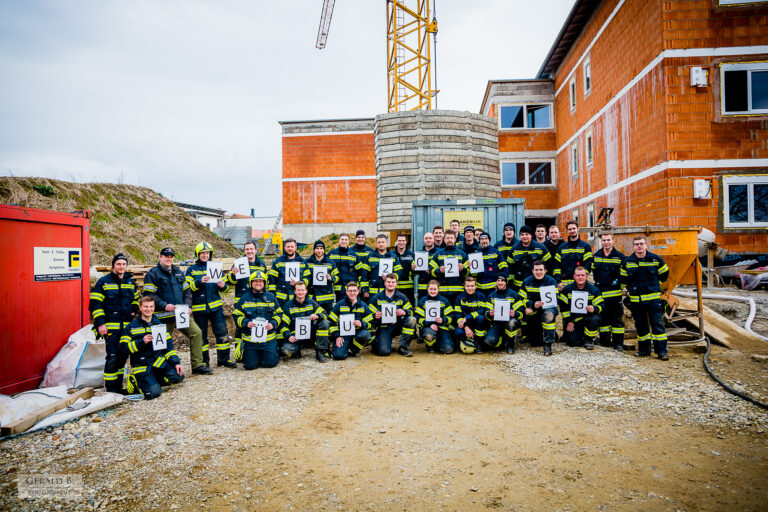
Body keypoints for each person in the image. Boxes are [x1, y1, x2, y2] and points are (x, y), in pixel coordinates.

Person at [143, 247, 210, 375]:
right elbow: (148, 295)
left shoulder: (178, 272)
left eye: (171, 257)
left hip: (180, 314)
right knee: (161, 343)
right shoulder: (152, 274)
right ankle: (162, 370)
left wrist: (188, 306)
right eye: (166, 256)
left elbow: (187, 291)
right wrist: (163, 305)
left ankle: (197, 365)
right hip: (163, 316)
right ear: (160, 257)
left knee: (196, 333)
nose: (169, 259)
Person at [89, 253, 138, 393]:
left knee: (122, 357)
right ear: (113, 266)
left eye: (124, 264)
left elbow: (135, 299)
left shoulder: (129, 281)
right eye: (118, 264)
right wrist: (100, 324)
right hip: (110, 328)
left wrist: (134, 310)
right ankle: (110, 390)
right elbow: (95, 304)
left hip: (126, 328)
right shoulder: (103, 282)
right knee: (112, 358)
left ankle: (118, 387)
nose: (121, 266)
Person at [121, 296, 184, 399]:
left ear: (154, 308)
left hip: (157, 363)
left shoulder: (159, 324)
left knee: (178, 376)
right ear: (140, 308)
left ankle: (152, 382)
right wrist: (141, 342)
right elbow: (123, 348)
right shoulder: (131, 327)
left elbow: (169, 349)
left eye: (151, 306)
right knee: (153, 394)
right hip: (142, 365)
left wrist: (176, 363)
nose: (148, 309)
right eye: (145, 306)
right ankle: (137, 383)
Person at [185, 242, 235, 368]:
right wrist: (199, 282)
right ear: (198, 254)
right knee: (201, 337)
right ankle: (203, 362)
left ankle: (223, 360)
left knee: (222, 333)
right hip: (199, 309)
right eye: (202, 253)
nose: (205, 255)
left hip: (216, 308)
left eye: (207, 253)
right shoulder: (192, 269)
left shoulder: (215, 267)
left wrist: (223, 286)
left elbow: (226, 290)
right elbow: (189, 288)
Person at [620, 236, 670, 360]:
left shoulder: (655, 259)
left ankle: (661, 352)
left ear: (646, 245)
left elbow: (664, 274)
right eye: (636, 244)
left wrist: (653, 285)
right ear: (633, 246)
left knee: (657, 325)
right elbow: (624, 278)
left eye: (641, 244)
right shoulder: (628, 262)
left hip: (653, 301)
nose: (639, 246)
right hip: (637, 301)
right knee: (641, 326)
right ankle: (644, 350)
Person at [232, 270, 282, 370]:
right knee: (250, 366)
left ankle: (270, 353)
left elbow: (279, 313)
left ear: (264, 283)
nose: (258, 283)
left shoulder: (271, 297)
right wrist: (246, 323)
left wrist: (273, 323)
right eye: (255, 281)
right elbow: (236, 314)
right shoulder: (244, 298)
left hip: (268, 340)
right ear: (251, 283)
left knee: (270, 364)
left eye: (261, 281)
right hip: (250, 341)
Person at [226, 241, 267, 361]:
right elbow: (230, 282)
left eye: (251, 249)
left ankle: (254, 350)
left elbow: (264, 283)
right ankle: (239, 353)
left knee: (255, 323)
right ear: (244, 251)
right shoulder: (238, 264)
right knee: (240, 327)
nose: (249, 251)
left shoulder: (261, 264)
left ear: (255, 250)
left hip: (257, 301)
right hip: (241, 300)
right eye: (247, 249)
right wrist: (233, 274)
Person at [279, 281, 331, 362]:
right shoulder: (288, 306)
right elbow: (283, 325)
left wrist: (317, 315)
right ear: (294, 291)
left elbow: (325, 314)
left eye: (303, 290)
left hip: (311, 333)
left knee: (324, 322)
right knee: (286, 350)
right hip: (296, 336)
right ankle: (297, 348)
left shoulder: (312, 303)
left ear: (306, 291)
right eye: (298, 290)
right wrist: (288, 336)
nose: (301, 292)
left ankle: (320, 350)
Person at [593, 232, 626, 350]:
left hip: (615, 295)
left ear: (613, 241)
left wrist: (620, 287)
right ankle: (605, 342)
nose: (606, 242)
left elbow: (624, 275)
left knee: (617, 320)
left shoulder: (620, 257)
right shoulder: (596, 256)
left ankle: (618, 344)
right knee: (604, 319)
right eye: (604, 240)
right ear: (601, 242)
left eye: (608, 240)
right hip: (601, 294)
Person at [369, 274, 417, 356]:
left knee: (412, 320)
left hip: (398, 325)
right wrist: (374, 315)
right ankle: (376, 341)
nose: (391, 284)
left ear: (396, 284)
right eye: (388, 282)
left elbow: (412, 311)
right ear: (385, 283)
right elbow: (368, 315)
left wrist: (404, 312)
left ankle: (403, 347)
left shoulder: (402, 297)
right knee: (384, 352)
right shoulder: (377, 297)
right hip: (384, 327)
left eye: (393, 282)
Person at [519, 260, 559, 356]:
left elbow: (555, 301)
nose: (539, 272)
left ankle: (548, 345)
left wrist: (539, 306)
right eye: (536, 270)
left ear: (545, 270)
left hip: (548, 308)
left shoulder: (552, 281)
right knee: (535, 343)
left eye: (541, 270)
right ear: (532, 271)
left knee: (548, 314)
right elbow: (521, 299)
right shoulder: (526, 282)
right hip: (533, 311)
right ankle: (534, 334)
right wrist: (531, 305)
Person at [558, 267, 603, 349]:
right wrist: (569, 321)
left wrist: (594, 308)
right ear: (574, 276)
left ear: (586, 276)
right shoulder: (567, 290)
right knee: (573, 343)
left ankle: (589, 340)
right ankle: (580, 336)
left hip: (588, 319)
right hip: (574, 321)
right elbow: (563, 308)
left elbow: (601, 305)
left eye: (582, 275)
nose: (580, 277)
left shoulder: (594, 290)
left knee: (595, 319)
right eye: (578, 275)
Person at [328, 282, 374, 359]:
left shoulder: (363, 306)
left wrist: (362, 324)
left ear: (358, 291)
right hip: (344, 335)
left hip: (357, 334)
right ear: (346, 291)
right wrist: (337, 336)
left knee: (366, 335)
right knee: (338, 356)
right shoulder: (339, 305)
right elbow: (331, 323)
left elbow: (371, 323)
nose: (352, 293)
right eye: (350, 291)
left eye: (354, 291)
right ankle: (344, 349)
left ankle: (354, 349)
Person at [484, 275, 524, 353]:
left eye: (502, 281)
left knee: (512, 322)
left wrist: (515, 313)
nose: (500, 282)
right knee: (489, 340)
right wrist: (490, 313)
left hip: (510, 322)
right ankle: (503, 340)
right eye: (498, 281)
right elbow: (486, 314)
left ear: (506, 282)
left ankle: (510, 345)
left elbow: (521, 313)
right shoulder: (491, 296)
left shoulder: (514, 295)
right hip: (497, 324)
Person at [429, 229, 468, 305]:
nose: (449, 240)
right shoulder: (438, 254)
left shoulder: (462, 254)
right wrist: (439, 270)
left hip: (458, 292)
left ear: (455, 239)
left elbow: (468, 273)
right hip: (442, 292)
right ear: (444, 239)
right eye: (447, 238)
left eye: (451, 238)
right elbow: (431, 271)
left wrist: (463, 269)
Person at [415, 280, 455, 354]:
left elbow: (451, 316)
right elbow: (418, 318)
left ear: (438, 289)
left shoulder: (444, 301)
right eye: (431, 289)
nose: (433, 291)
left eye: (435, 289)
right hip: (428, 328)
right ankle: (430, 345)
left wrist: (443, 320)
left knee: (448, 350)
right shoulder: (422, 301)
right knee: (429, 335)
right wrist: (429, 324)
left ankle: (439, 343)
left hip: (442, 327)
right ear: (427, 289)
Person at [507, 226, 550, 290]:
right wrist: (510, 282)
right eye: (522, 235)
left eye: (527, 234)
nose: (524, 237)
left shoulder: (541, 248)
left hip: (537, 285)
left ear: (531, 235)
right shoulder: (514, 249)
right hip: (518, 285)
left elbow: (549, 265)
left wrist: (545, 279)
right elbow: (509, 268)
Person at [553, 221, 593, 289]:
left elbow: (588, 266)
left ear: (578, 228)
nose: (572, 231)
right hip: (564, 284)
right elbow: (556, 265)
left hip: (580, 285)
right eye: (570, 229)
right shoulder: (562, 247)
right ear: (567, 231)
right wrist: (558, 281)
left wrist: (581, 280)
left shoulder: (585, 247)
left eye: (574, 228)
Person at [453, 276, 488, 354]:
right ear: (464, 286)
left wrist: (467, 318)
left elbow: (482, 310)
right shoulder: (459, 298)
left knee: (480, 318)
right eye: (468, 286)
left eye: (472, 286)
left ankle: (479, 343)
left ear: (475, 286)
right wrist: (465, 326)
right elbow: (457, 315)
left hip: (477, 323)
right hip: (465, 324)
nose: (470, 288)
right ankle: (467, 341)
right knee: (457, 332)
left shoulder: (481, 296)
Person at [302, 240, 339, 313]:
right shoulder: (307, 262)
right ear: (314, 250)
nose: (319, 250)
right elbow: (303, 276)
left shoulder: (330, 262)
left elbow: (337, 277)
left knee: (327, 320)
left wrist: (331, 278)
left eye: (321, 248)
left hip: (327, 299)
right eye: (317, 248)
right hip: (312, 297)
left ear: (324, 250)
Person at [268, 238, 306, 306]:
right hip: (281, 299)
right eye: (288, 247)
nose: (290, 249)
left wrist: (299, 283)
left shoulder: (302, 262)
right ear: (284, 247)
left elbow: (307, 277)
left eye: (292, 247)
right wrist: (272, 296)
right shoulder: (278, 262)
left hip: (298, 298)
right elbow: (272, 280)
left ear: (296, 247)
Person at [363, 234, 403, 299]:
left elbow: (399, 272)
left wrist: (389, 278)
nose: (381, 244)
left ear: (387, 243)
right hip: (373, 292)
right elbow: (364, 275)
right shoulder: (370, 257)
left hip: (390, 292)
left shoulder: (393, 257)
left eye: (383, 242)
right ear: (376, 244)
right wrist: (365, 290)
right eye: (379, 242)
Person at [328, 233, 362, 301]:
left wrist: (359, 286)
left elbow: (360, 272)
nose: (344, 241)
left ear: (348, 241)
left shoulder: (353, 255)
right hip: (338, 288)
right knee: (341, 307)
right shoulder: (331, 254)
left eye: (346, 239)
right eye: (342, 239)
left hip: (351, 288)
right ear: (339, 241)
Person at [415, 231, 438, 302]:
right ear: (424, 240)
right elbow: (413, 270)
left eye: (430, 238)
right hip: (422, 286)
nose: (428, 240)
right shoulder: (419, 253)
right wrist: (413, 268)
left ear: (434, 239)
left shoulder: (439, 253)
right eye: (426, 238)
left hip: (436, 286)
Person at [393, 233, 415, 305]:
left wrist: (414, 269)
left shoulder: (412, 255)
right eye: (399, 241)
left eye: (403, 241)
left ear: (406, 242)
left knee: (409, 307)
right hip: (395, 287)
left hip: (409, 288)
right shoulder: (391, 254)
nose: (401, 242)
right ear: (396, 241)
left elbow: (416, 271)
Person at [352, 230, 375, 297]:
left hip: (367, 280)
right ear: (356, 238)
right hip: (354, 279)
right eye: (359, 237)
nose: (360, 239)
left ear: (365, 238)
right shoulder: (351, 251)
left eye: (362, 237)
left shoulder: (370, 251)